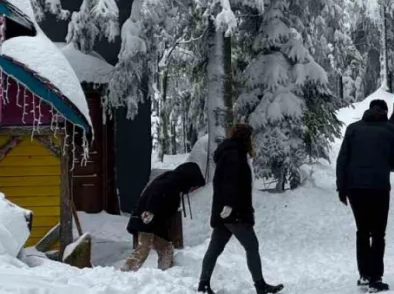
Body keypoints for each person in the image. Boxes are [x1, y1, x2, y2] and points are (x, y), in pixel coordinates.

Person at [199, 124, 283, 294]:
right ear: (246, 137)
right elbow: (230, 183)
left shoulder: (230, 152)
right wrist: (230, 206)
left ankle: (204, 284)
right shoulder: (234, 154)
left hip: (225, 211)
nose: (253, 141)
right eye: (251, 137)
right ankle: (260, 285)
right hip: (234, 212)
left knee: (215, 248)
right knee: (252, 246)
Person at [337, 99, 394, 293]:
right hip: (379, 186)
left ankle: (364, 274)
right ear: (385, 111)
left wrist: (341, 188)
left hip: (355, 186)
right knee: (378, 232)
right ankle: (376, 277)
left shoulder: (353, 129)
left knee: (362, 230)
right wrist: (387, 166)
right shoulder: (391, 130)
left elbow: (342, 159)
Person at [121, 162, 205, 272]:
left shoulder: (175, 184)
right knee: (143, 248)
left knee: (166, 249)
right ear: (189, 178)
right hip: (146, 220)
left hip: (155, 224)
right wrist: (149, 214)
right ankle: (125, 273)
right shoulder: (169, 182)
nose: (193, 189)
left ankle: (165, 275)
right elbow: (153, 196)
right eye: (194, 186)